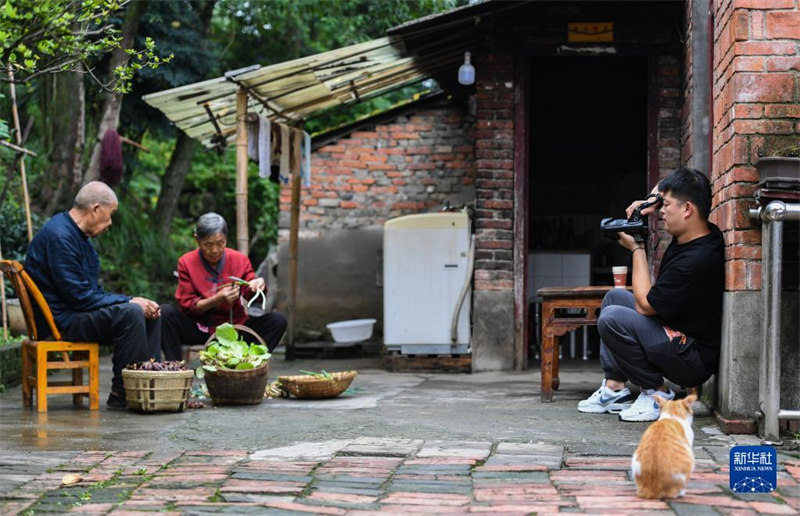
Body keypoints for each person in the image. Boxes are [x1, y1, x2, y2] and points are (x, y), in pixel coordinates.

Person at [578, 168, 724, 422]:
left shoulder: (696, 260)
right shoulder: (700, 232)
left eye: (665, 205)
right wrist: (650, 202)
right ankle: (615, 388)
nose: (661, 211)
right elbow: (664, 186)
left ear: (687, 209)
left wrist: (637, 247)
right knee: (614, 297)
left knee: (612, 318)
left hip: (691, 357)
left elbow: (645, 305)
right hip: (674, 333)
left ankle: (657, 395)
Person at [25, 181, 162, 410]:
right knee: (131, 313)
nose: (109, 223)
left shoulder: (77, 237)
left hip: (76, 312)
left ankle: (152, 385)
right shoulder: (60, 237)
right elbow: (80, 298)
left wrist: (135, 301)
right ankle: (124, 392)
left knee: (154, 311)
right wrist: (129, 301)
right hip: (62, 322)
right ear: (96, 209)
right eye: (110, 215)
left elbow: (90, 293)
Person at [160, 213, 287, 360]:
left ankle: (251, 364)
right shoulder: (186, 262)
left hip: (235, 328)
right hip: (200, 328)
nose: (214, 250)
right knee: (165, 313)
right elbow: (187, 305)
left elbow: (252, 294)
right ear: (197, 240)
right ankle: (174, 368)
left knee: (277, 320)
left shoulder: (239, 259)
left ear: (226, 239)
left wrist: (256, 286)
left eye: (220, 243)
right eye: (208, 244)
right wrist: (217, 299)